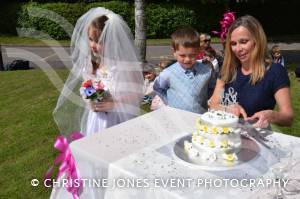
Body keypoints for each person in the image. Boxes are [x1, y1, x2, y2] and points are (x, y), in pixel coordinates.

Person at [53, 7, 144, 137]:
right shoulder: (92, 64)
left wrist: (114, 104)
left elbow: (136, 93)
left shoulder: (123, 67)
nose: (93, 45)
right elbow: (87, 84)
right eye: (90, 39)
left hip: (117, 119)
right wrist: (89, 97)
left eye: (99, 41)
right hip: (97, 118)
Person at [209, 15, 293, 128]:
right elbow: (213, 104)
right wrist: (228, 108)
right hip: (224, 135)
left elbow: (288, 118)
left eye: (243, 42)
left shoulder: (275, 72)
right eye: (233, 44)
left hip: (256, 138)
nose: (238, 49)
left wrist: (271, 115)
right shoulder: (228, 69)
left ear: (256, 41)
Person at [153, 27, 214, 114]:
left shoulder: (206, 70)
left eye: (192, 55)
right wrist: (168, 101)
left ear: (198, 51)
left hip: (199, 116)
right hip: (176, 116)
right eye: (182, 55)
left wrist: (206, 101)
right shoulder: (168, 73)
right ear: (174, 52)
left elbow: (212, 87)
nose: (187, 59)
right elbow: (158, 87)